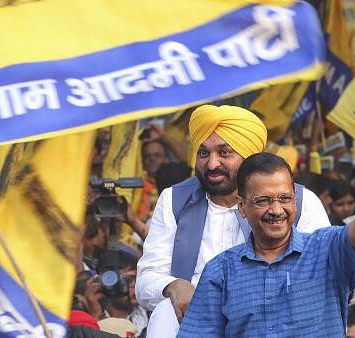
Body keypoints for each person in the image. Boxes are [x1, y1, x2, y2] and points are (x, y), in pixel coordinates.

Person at [136, 105, 330, 338]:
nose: (212, 164)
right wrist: (174, 286)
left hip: (273, 321)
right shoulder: (174, 200)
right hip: (194, 321)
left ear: (250, 157)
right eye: (203, 153)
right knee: (166, 311)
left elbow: (320, 273)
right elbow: (146, 280)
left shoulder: (297, 200)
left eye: (224, 153)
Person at [177, 144, 355, 337]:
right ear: (242, 206)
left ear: (295, 199)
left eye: (284, 198)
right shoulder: (220, 271)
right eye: (263, 200)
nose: (276, 210)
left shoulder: (325, 250)